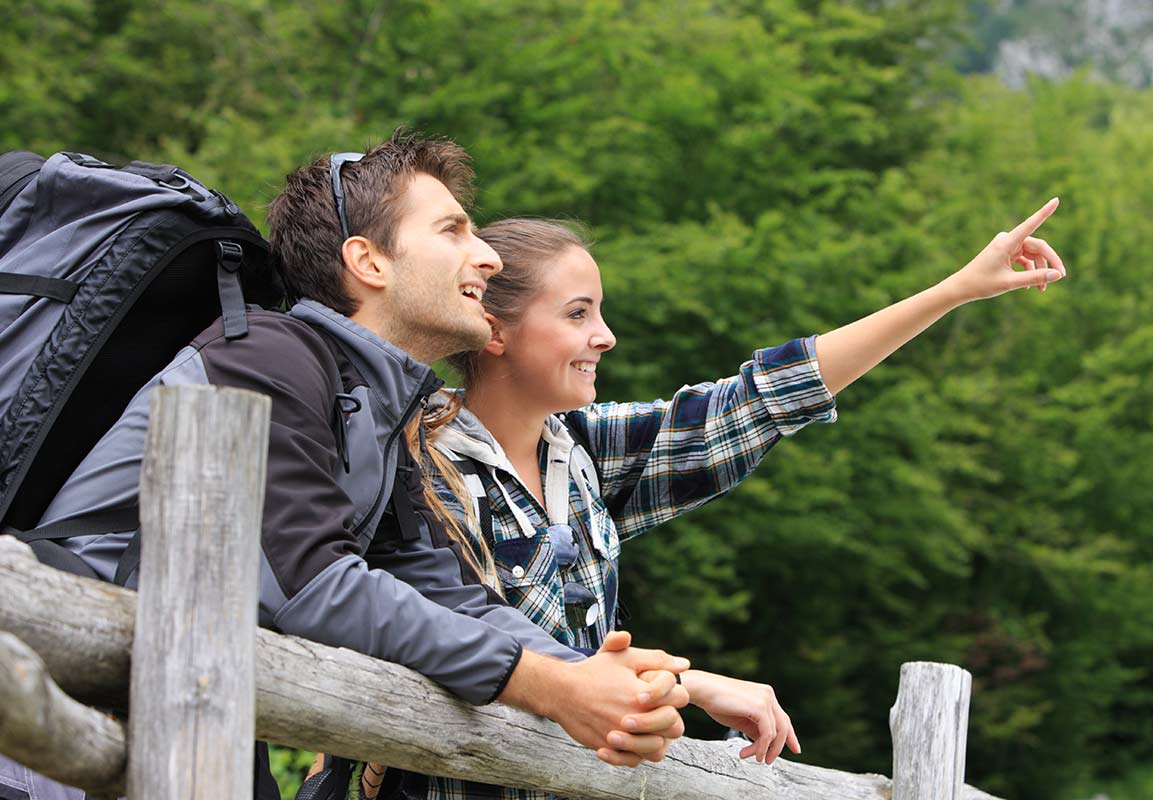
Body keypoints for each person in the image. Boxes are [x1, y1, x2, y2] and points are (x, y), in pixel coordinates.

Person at [0, 131, 691, 800]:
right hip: (52, 718)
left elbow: (446, 593)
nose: (489, 258)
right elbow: (316, 587)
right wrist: (551, 686)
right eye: (452, 231)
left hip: (176, 707)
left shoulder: (373, 410)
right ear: (369, 262)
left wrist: (601, 677)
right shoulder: (265, 357)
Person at [380, 204, 1065, 798]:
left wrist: (954, 290)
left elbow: (761, 401)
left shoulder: (583, 450)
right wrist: (690, 684)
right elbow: (482, 643)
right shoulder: (419, 463)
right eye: (577, 313)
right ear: (495, 333)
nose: (605, 335)